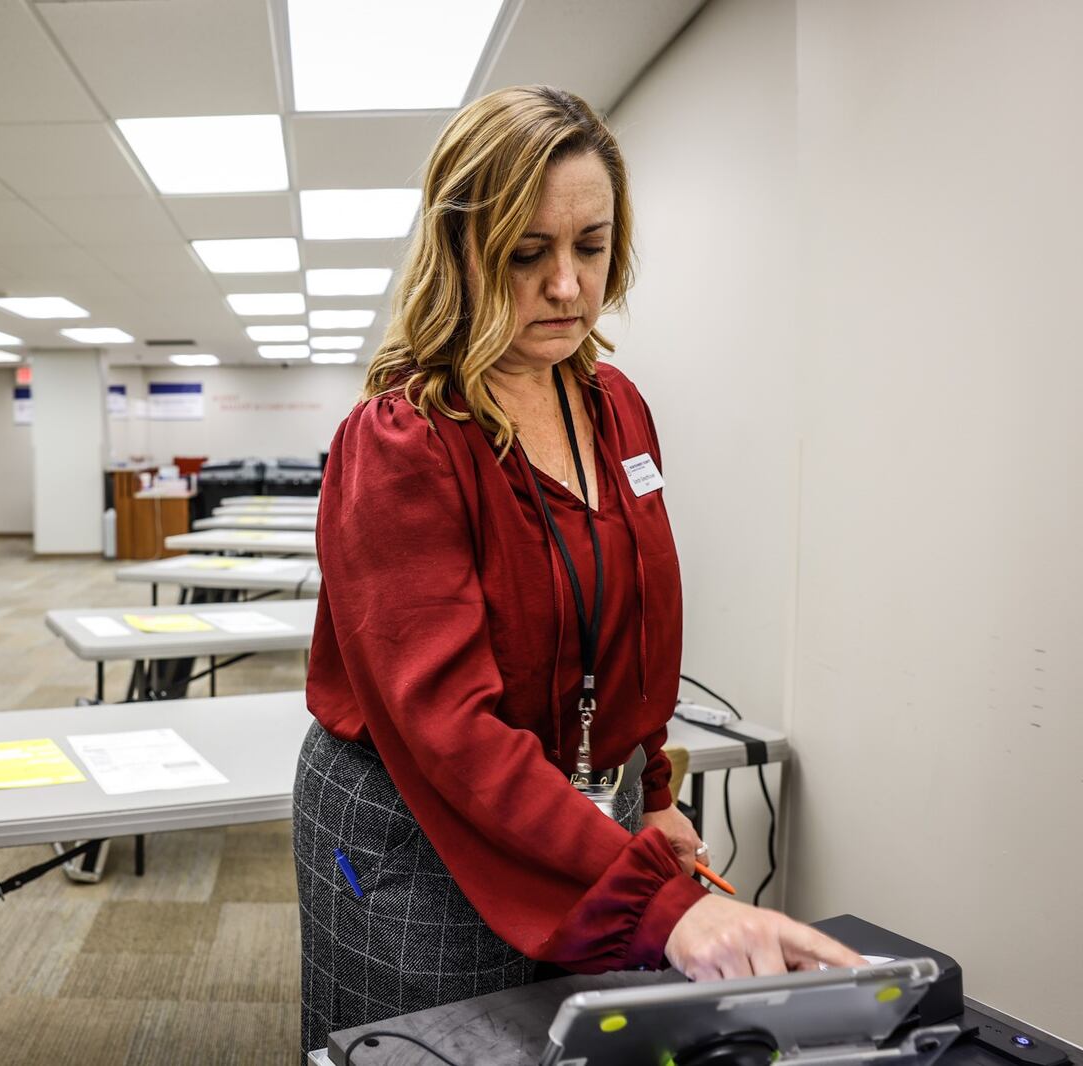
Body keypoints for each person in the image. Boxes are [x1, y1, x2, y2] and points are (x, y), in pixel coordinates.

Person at [294, 85, 863, 1055]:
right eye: (526, 252)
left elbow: (634, 627)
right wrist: (659, 903)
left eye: (590, 247)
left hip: (558, 809)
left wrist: (647, 798)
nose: (567, 286)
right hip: (413, 825)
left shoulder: (616, 406)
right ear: (462, 248)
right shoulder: (404, 441)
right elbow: (450, 732)